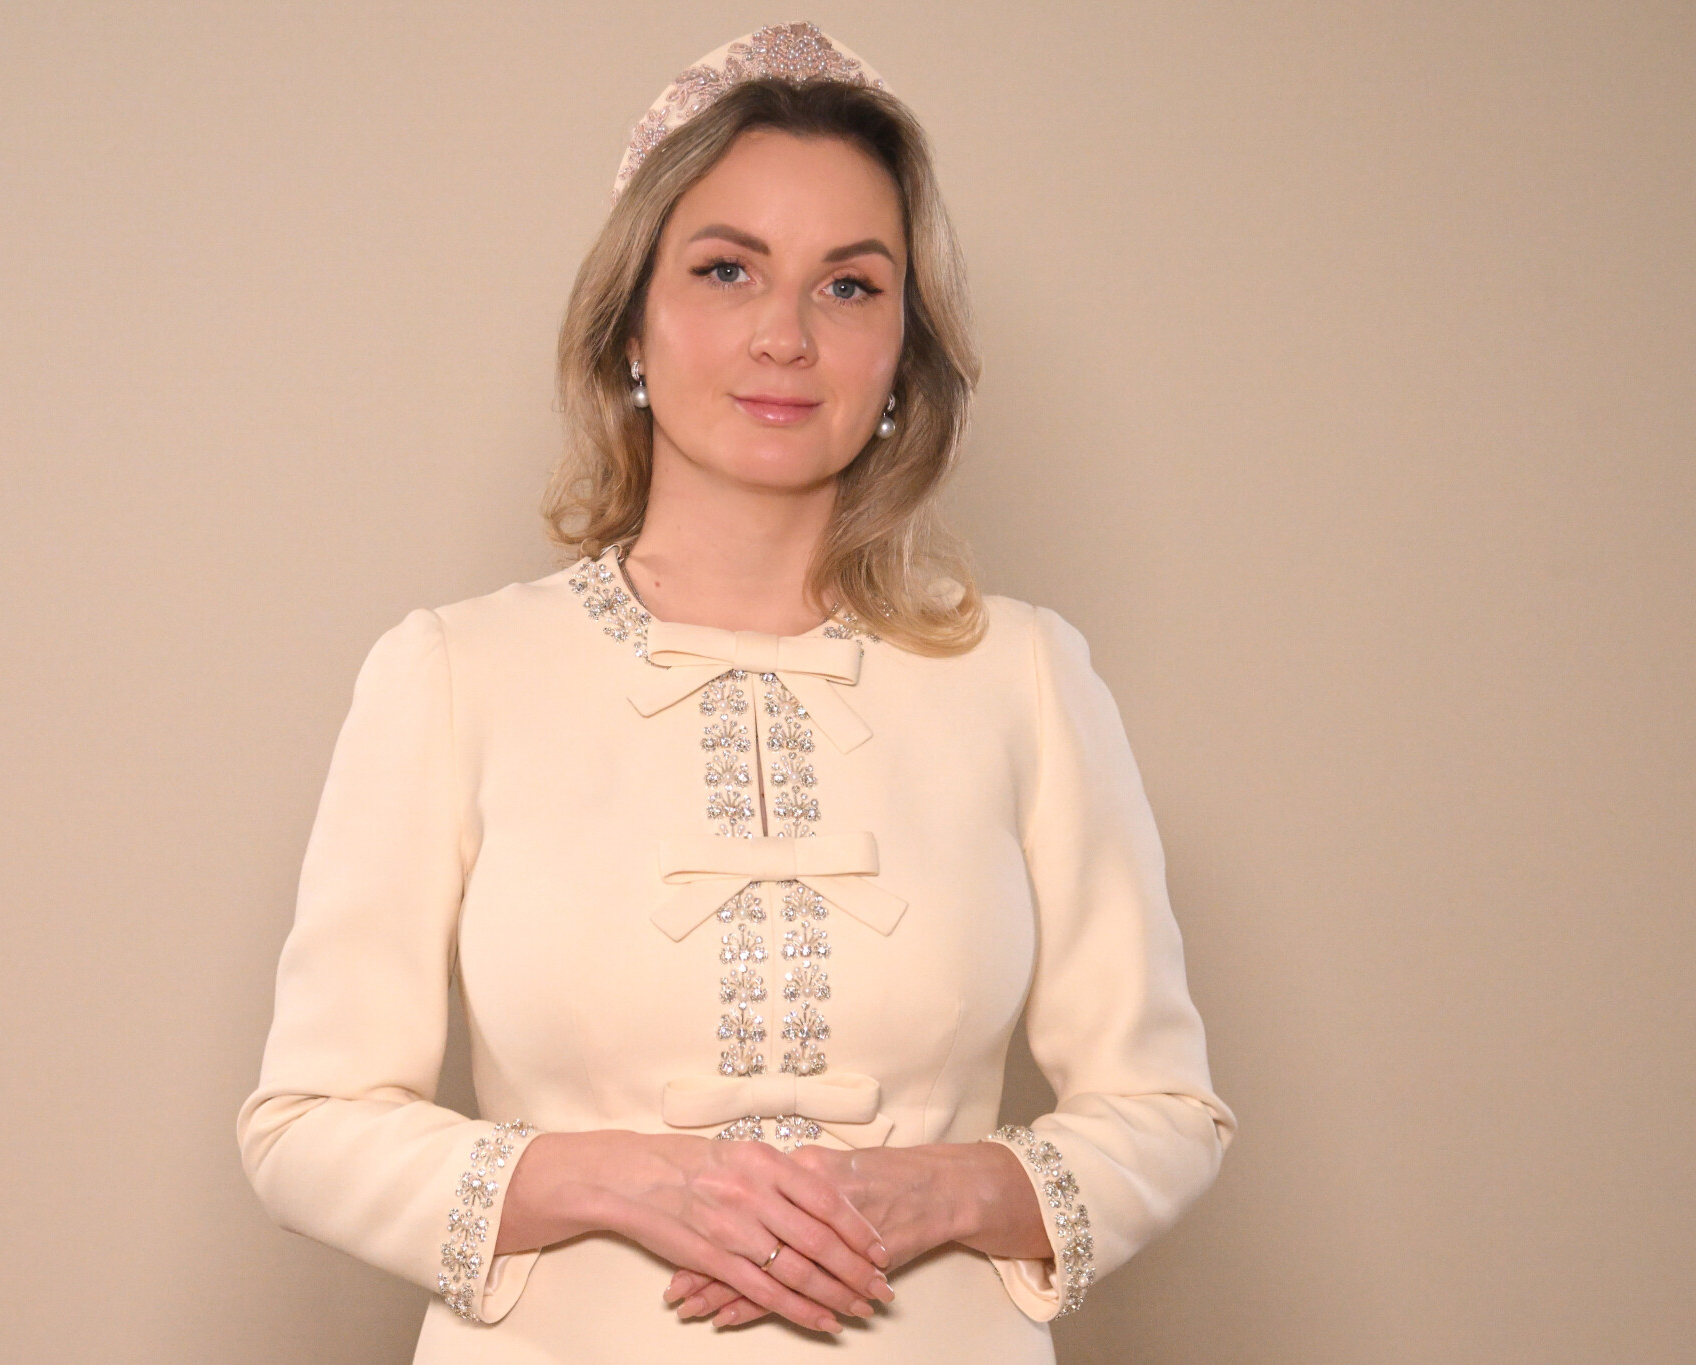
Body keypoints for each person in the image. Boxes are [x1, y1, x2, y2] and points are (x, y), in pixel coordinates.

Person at [236, 23, 1235, 1363]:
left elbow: (1166, 1110)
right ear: (631, 325)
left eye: (850, 287)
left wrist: (957, 1188)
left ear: (903, 351)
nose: (785, 336)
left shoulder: (1027, 676)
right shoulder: (455, 675)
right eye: (727, 270)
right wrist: (617, 1178)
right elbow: (305, 1123)